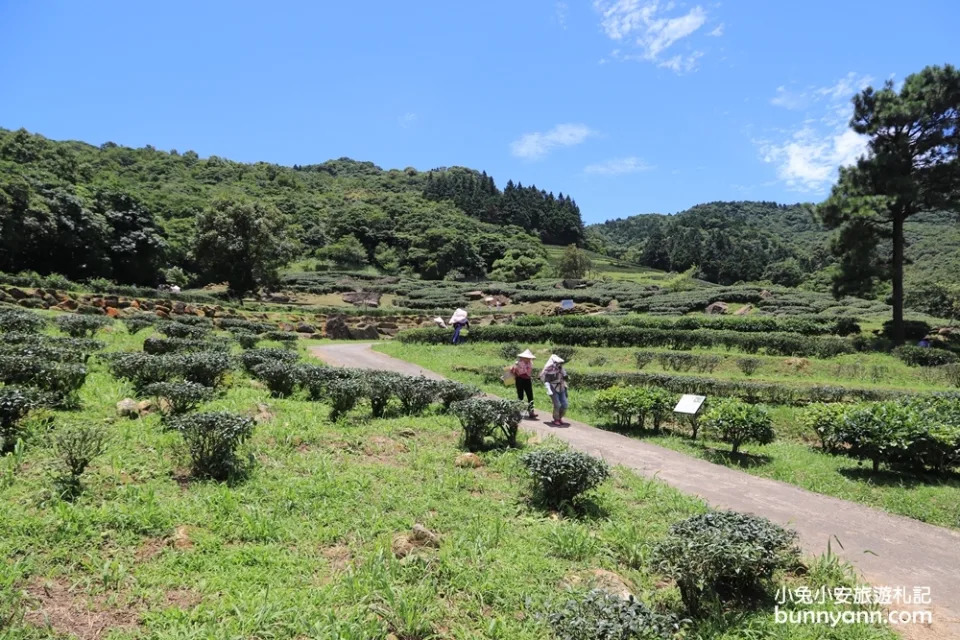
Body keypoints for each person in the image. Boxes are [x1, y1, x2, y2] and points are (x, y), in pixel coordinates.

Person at [540, 354, 568, 426]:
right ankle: (556, 419)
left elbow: (565, 379)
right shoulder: (549, 371)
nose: (559, 364)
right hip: (553, 388)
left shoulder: (561, 369)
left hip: (562, 387)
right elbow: (546, 381)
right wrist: (548, 389)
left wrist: (566, 389)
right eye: (557, 363)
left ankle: (559, 418)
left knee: (565, 404)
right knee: (557, 404)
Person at [510, 349, 537, 419]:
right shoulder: (518, 363)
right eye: (527, 358)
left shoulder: (530, 363)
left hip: (527, 380)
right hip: (519, 380)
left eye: (529, 358)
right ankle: (517, 411)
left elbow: (528, 372)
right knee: (520, 396)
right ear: (523, 357)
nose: (528, 359)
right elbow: (514, 371)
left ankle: (531, 412)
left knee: (530, 396)